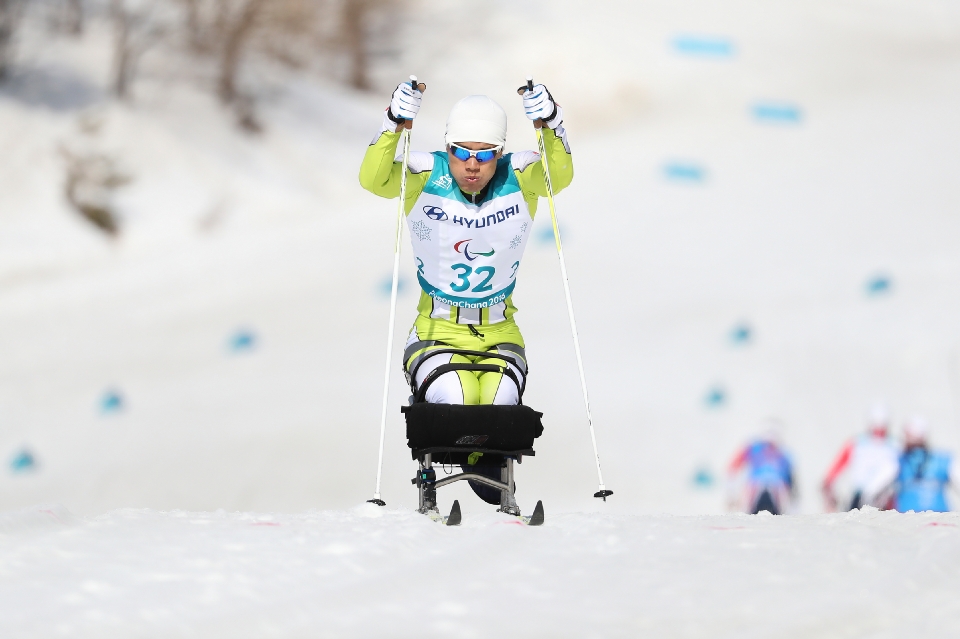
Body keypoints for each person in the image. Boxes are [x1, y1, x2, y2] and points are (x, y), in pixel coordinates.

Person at [359, 80, 573, 407]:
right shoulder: (425, 173)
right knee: (460, 399)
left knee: (499, 408)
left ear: (499, 153)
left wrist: (551, 125)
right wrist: (392, 123)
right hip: (437, 332)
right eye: (461, 151)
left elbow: (557, 177)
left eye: (485, 154)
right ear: (448, 148)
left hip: (500, 333)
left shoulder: (518, 175)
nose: (472, 164)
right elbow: (374, 180)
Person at [821, 404, 899, 511]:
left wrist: (828, 482)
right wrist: (828, 483)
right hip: (859, 496)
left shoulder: (895, 444)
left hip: (885, 498)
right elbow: (838, 466)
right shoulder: (857, 443)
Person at [727, 428, 796, 515]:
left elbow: (789, 475)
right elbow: (734, 465)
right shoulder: (754, 448)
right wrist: (732, 491)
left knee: (780, 502)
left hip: (776, 486)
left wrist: (792, 494)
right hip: (755, 484)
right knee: (750, 503)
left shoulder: (783, 453)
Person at [895, 417, 952, 513]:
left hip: (908, 517)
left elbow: (873, 489)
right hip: (939, 516)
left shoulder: (899, 460)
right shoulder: (942, 459)